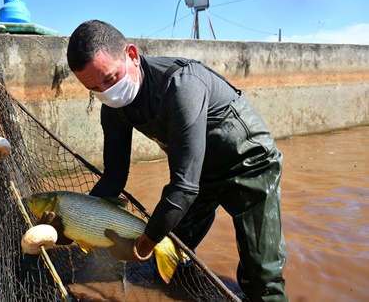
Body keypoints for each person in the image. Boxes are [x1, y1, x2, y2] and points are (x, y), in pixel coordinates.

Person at [65, 19, 288, 301]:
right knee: (170, 254)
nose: (106, 92)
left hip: (249, 166)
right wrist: (71, 219)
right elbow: (113, 177)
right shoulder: (114, 106)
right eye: (94, 89)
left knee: (262, 278)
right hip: (197, 175)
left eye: (109, 79)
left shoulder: (182, 86)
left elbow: (182, 188)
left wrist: (143, 245)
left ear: (132, 55)